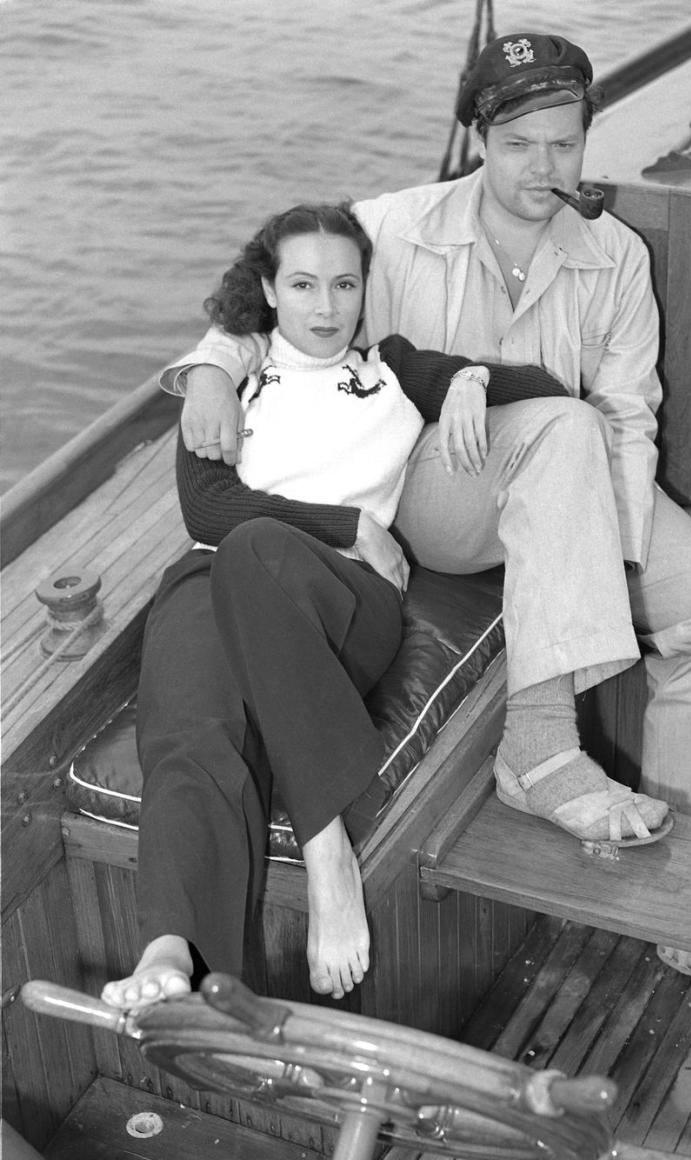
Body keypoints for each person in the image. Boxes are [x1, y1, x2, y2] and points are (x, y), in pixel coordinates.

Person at [169, 33, 691, 978]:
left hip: (570, 487)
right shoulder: (396, 227)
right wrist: (210, 369)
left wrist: (592, 553)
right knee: (564, 428)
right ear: (480, 136)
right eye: (519, 142)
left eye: (564, 144)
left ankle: (686, 878)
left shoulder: (612, 255)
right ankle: (539, 750)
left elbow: (628, 415)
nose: (544, 166)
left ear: (585, 142)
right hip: (431, 501)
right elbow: (277, 290)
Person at [102, 202, 601, 1011]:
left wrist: (473, 379)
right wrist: (353, 522)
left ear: (366, 291)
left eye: (344, 284)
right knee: (192, 731)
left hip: (342, 603)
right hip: (218, 578)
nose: (326, 307)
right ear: (268, 289)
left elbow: (543, 388)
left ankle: (327, 843)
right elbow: (209, 513)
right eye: (303, 285)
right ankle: (173, 952)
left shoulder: (392, 368)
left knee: (256, 551)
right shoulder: (231, 381)